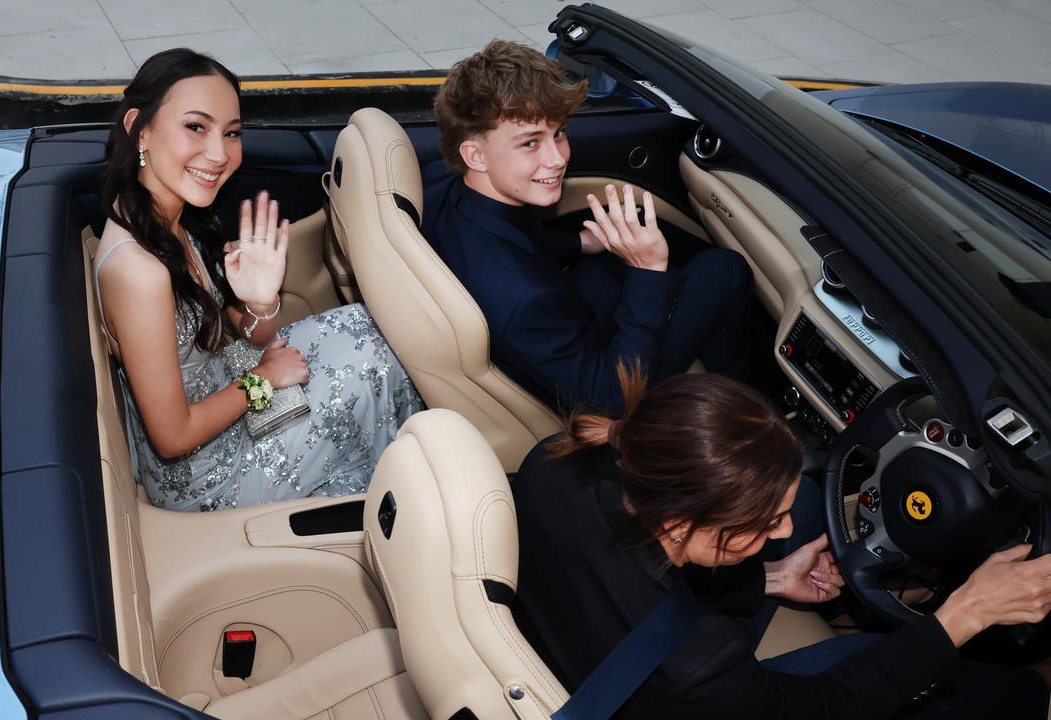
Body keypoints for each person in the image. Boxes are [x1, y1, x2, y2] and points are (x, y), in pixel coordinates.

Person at [512, 366, 1051, 718]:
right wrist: (968, 612)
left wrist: (772, 577)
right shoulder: (705, 665)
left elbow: (649, 594)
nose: (785, 530)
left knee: (814, 501)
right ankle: (1035, 690)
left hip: (573, 628)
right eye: (765, 522)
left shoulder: (553, 463)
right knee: (931, 682)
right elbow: (826, 704)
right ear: (680, 525)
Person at [95, 49, 423, 512]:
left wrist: (261, 302)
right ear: (139, 129)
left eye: (231, 133)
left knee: (373, 325)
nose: (219, 153)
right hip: (205, 471)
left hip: (223, 389)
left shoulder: (172, 221)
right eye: (196, 127)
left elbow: (247, 331)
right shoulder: (139, 272)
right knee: (376, 368)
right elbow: (172, 437)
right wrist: (262, 379)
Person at [421, 40, 754, 414]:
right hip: (608, 390)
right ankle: (739, 412)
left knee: (622, 248)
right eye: (530, 143)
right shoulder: (525, 302)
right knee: (725, 271)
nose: (557, 158)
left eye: (558, 133)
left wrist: (580, 242)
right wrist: (647, 271)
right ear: (476, 155)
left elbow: (516, 244)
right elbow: (611, 401)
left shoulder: (439, 184)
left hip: (554, 322)